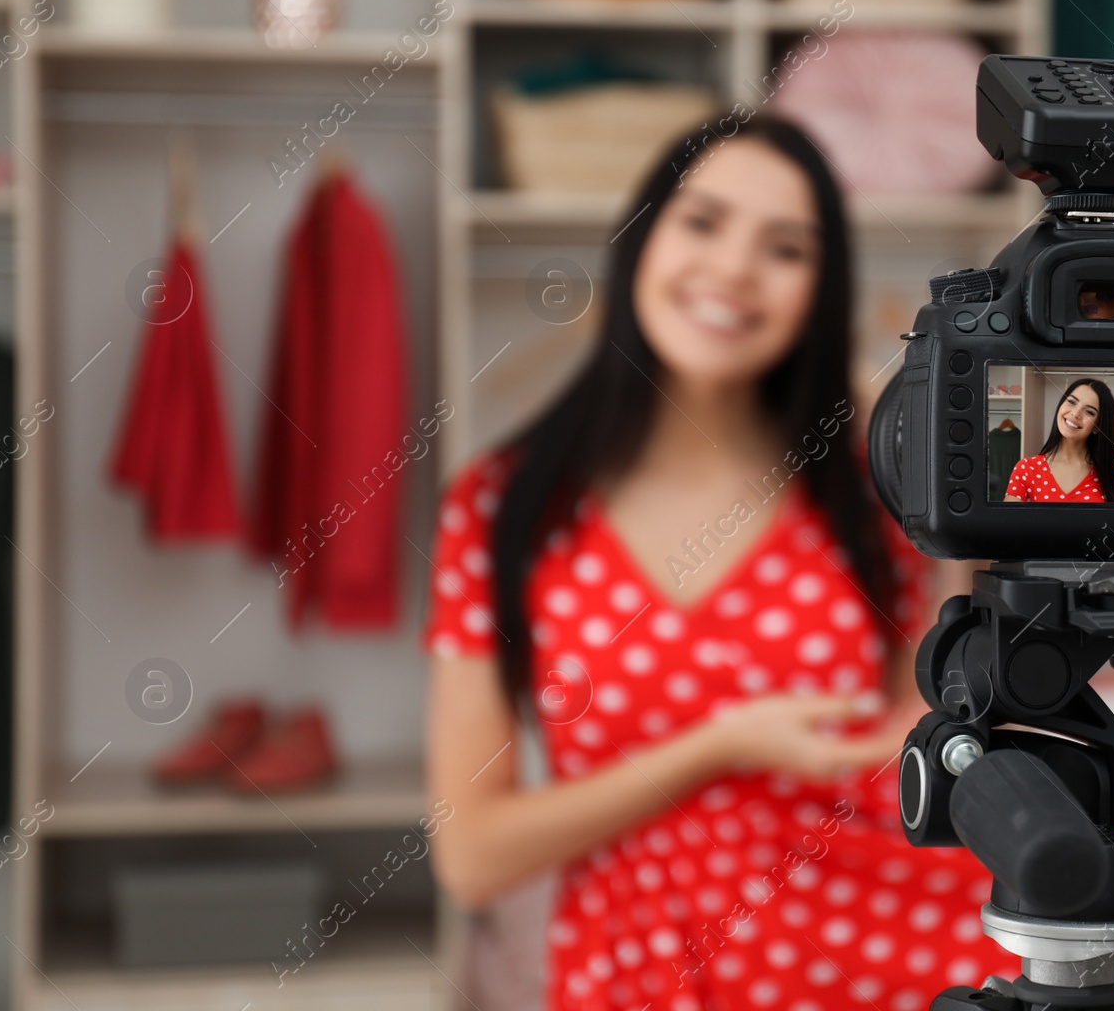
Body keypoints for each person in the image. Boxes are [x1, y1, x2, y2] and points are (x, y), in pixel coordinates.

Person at [422, 116, 1016, 1011]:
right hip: (627, 978)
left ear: (822, 290)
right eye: (702, 223)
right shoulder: (503, 506)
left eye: (785, 248)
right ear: (642, 238)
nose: (733, 269)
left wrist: (927, 488)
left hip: (863, 954)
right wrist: (717, 750)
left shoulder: (868, 493)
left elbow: (925, 758)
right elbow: (472, 856)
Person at [1002, 378, 1114, 503]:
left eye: (1089, 412)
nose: (1075, 414)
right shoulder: (1026, 468)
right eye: (1071, 402)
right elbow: (1009, 523)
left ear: (1097, 427)